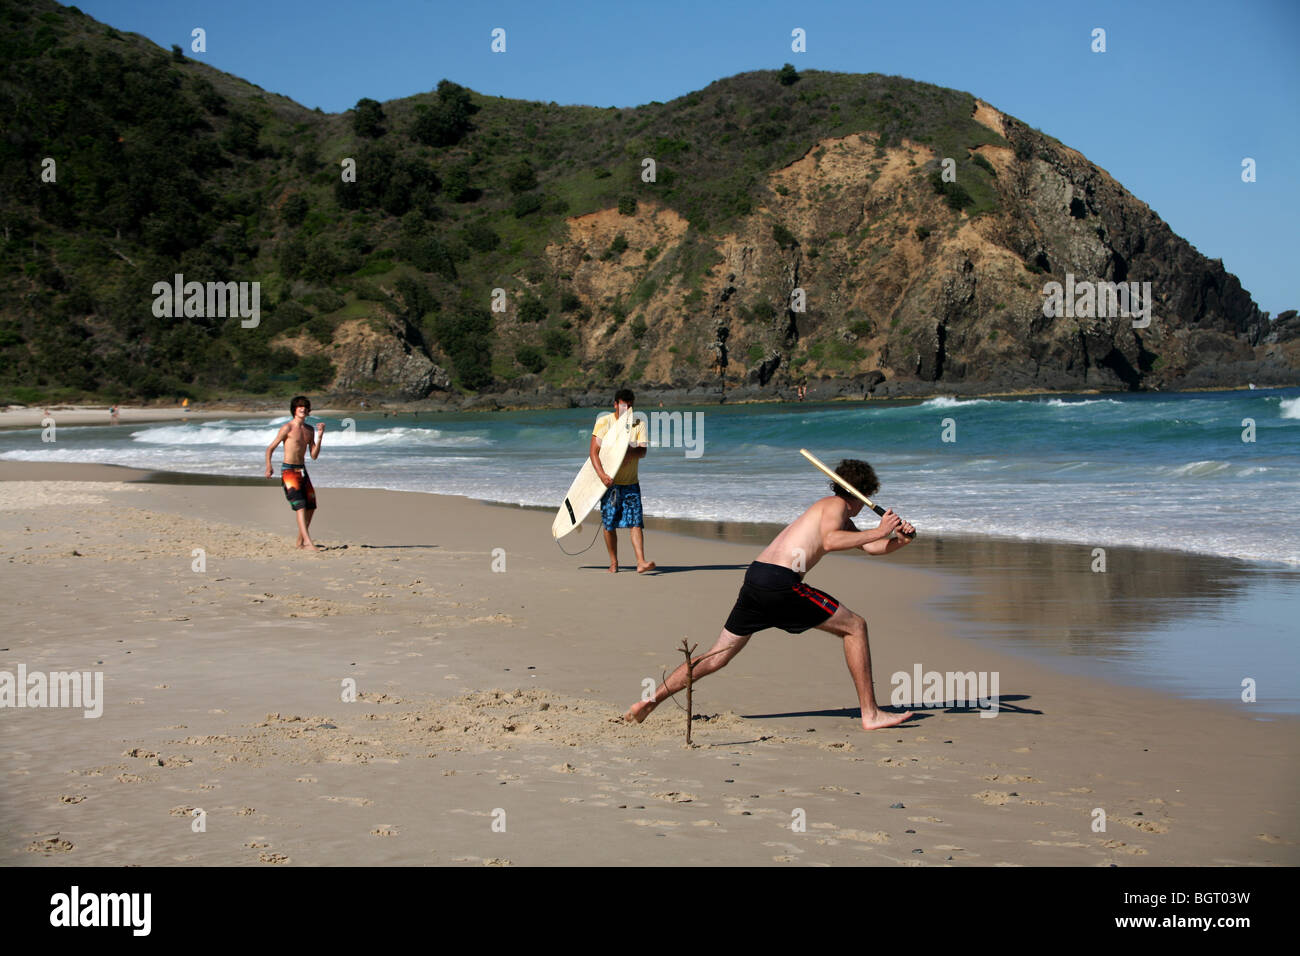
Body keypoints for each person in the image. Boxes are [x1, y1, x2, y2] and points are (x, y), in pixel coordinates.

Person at [623, 459, 916, 731]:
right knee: (855, 626)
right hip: (780, 583)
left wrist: (897, 540)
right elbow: (830, 541)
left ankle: (650, 701)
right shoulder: (836, 506)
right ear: (863, 492)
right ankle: (871, 713)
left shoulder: (834, 512)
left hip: (757, 578)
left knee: (716, 657)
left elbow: (867, 547)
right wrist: (879, 531)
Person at [590, 388, 655, 573]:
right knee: (609, 524)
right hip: (610, 484)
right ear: (616, 404)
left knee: (635, 522)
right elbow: (593, 453)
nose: (627, 409)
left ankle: (641, 561)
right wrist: (602, 475)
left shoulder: (638, 423)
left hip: (631, 483)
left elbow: (642, 451)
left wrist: (628, 451)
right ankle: (614, 562)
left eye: (630, 405)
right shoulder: (604, 422)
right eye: (624, 405)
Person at [264, 396, 325, 550]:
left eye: (305, 406)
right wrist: (269, 466)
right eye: (299, 406)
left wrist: (320, 436)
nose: (303, 409)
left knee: (311, 506)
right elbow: (270, 448)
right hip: (289, 471)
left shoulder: (309, 430)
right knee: (300, 506)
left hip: (303, 470)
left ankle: (300, 542)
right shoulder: (287, 428)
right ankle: (308, 543)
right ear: (294, 410)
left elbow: (314, 456)